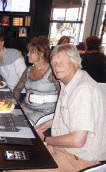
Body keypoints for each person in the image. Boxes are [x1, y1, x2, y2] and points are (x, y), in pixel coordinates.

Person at [8, 44, 106, 172]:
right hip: (64, 150)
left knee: (15, 168)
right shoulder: (68, 83)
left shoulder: (83, 90)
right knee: (10, 158)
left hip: (80, 158)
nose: (56, 66)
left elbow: (78, 141)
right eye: (53, 62)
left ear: (76, 61)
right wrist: (48, 124)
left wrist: (44, 139)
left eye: (62, 61)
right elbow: (72, 117)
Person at [13, 35, 60, 124]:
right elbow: (17, 88)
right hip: (26, 108)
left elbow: (63, 94)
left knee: (21, 125)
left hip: (45, 113)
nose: (27, 54)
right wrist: (17, 104)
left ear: (41, 53)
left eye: (31, 52)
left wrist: (57, 117)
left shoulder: (52, 71)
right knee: (9, 119)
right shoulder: (28, 70)